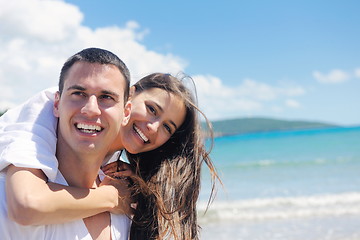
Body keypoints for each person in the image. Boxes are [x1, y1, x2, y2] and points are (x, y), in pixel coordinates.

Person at [0, 58, 219, 239]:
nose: (153, 127)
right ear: (129, 98)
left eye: (167, 127)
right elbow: (26, 205)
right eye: (151, 109)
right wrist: (113, 197)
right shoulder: (53, 106)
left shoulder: (115, 170)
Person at [0, 47, 133, 239]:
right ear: (56, 104)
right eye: (79, 93)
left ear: (126, 113)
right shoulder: (6, 200)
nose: (91, 109)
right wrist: (112, 198)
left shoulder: (129, 210)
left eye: (106, 97)